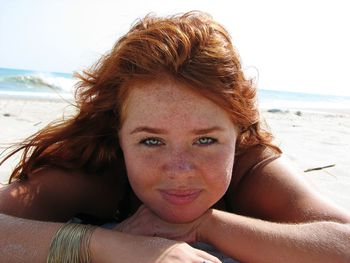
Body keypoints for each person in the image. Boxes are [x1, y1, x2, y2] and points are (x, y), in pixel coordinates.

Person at [0, 11, 349, 263]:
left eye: (206, 140)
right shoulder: (99, 171)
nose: (180, 170)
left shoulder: (250, 167)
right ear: (118, 135)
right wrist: (111, 246)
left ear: (238, 132)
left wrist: (208, 224)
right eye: (151, 141)